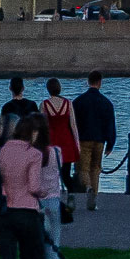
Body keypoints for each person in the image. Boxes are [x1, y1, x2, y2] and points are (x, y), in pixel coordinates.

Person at [0, 112, 61, 259]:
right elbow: (34, 187)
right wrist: (42, 192)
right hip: (27, 211)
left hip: (5, 211)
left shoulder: (0, 151)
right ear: (31, 133)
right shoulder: (34, 154)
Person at [75, 74, 117, 209]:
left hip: (83, 139)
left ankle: (87, 188)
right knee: (95, 169)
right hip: (99, 140)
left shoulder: (78, 102)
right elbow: (110, 125)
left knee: (83, 169)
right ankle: (94, 197)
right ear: (100, 82)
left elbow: (73, 124)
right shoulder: (106, 103)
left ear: (88, 82)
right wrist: (110, 143)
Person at [38, 78, 81, 206]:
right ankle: (71, 193)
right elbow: (73, 125)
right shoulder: (68, 103)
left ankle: (53, 198)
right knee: (66, 173)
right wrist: (77, 143)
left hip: (51, 141)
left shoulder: (44, 104)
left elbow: (42, 126)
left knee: (51, 172)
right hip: (66, 140)